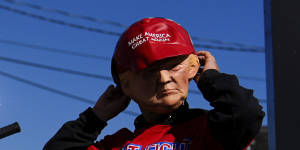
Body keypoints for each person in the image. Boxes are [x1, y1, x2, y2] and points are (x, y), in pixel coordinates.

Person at [43, 17, 265, 150]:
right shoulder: (118, 144)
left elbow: (245, 112)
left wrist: (210, 78)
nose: (163, 78)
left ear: (192, 66)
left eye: (173, 65)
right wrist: (95, 117)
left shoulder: (209, 130)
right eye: (148, 72)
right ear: (125, 85)